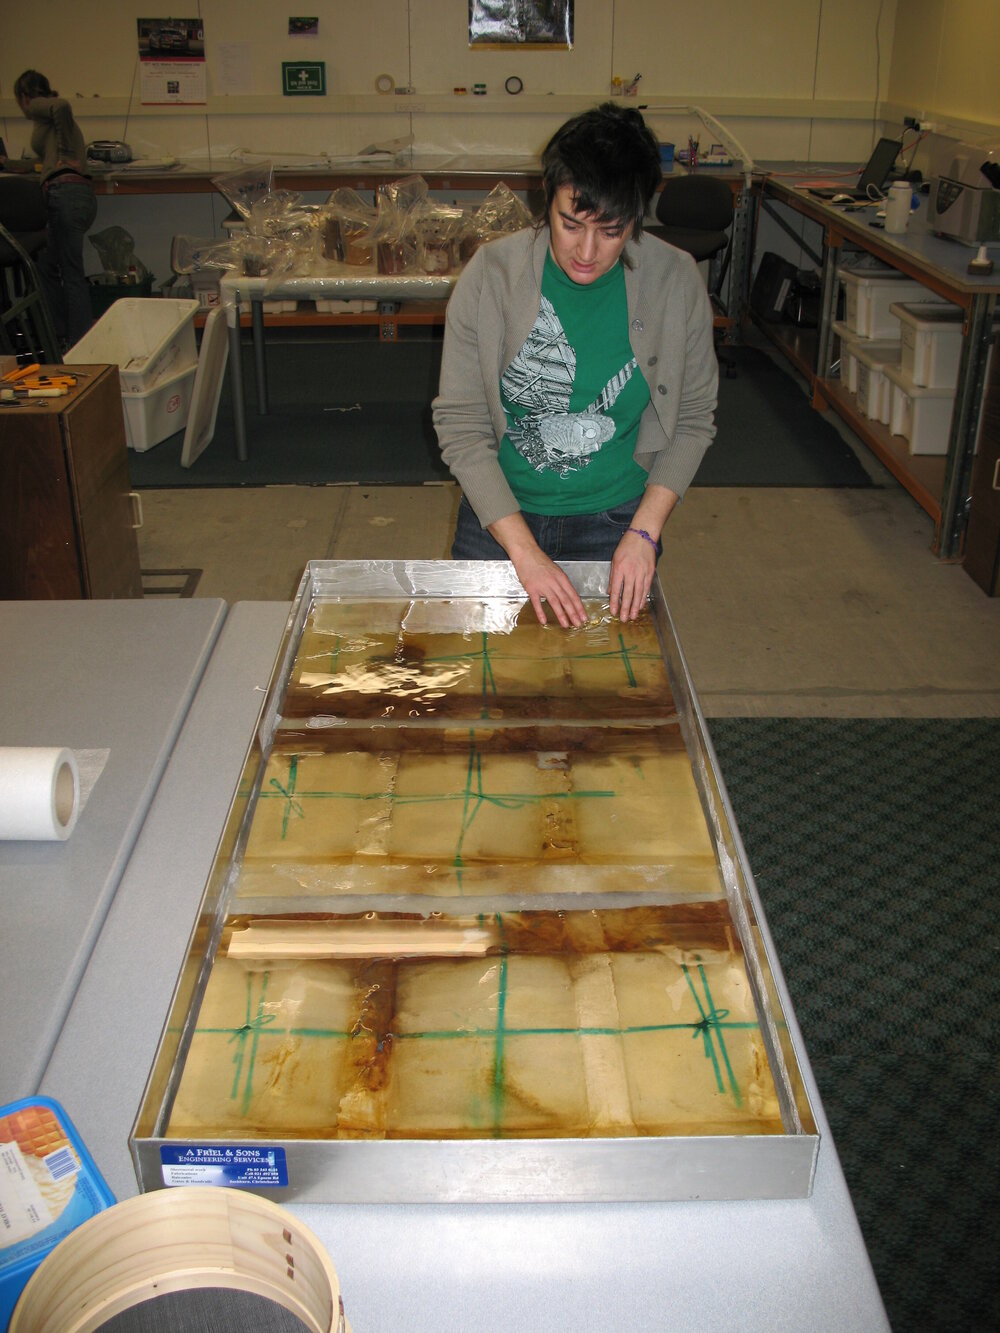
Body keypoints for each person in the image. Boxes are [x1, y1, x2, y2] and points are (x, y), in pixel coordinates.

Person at [432, 102, 718, 628]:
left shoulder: (675, 281)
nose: (587, 251)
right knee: (489, 688)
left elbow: (693, 418)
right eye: (571, 224)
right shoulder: (491, 277)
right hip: (498, 517)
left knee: (609, 695)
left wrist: (645, 533)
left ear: (636, 216)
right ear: (547, 198)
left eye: (611, 231)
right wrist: (524, 552)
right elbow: (462, 426)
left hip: (617, 524)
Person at [4, 70, 98, 348]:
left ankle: (75, 343)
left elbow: (62, 105)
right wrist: (9, 164)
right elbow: (42, 161)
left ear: (23, 97)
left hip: (64, 196)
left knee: (68, 272)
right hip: (76, 195)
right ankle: (61, 336)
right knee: (47, 265)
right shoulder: (52, 124)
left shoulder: (45, 108)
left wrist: (66, 154)